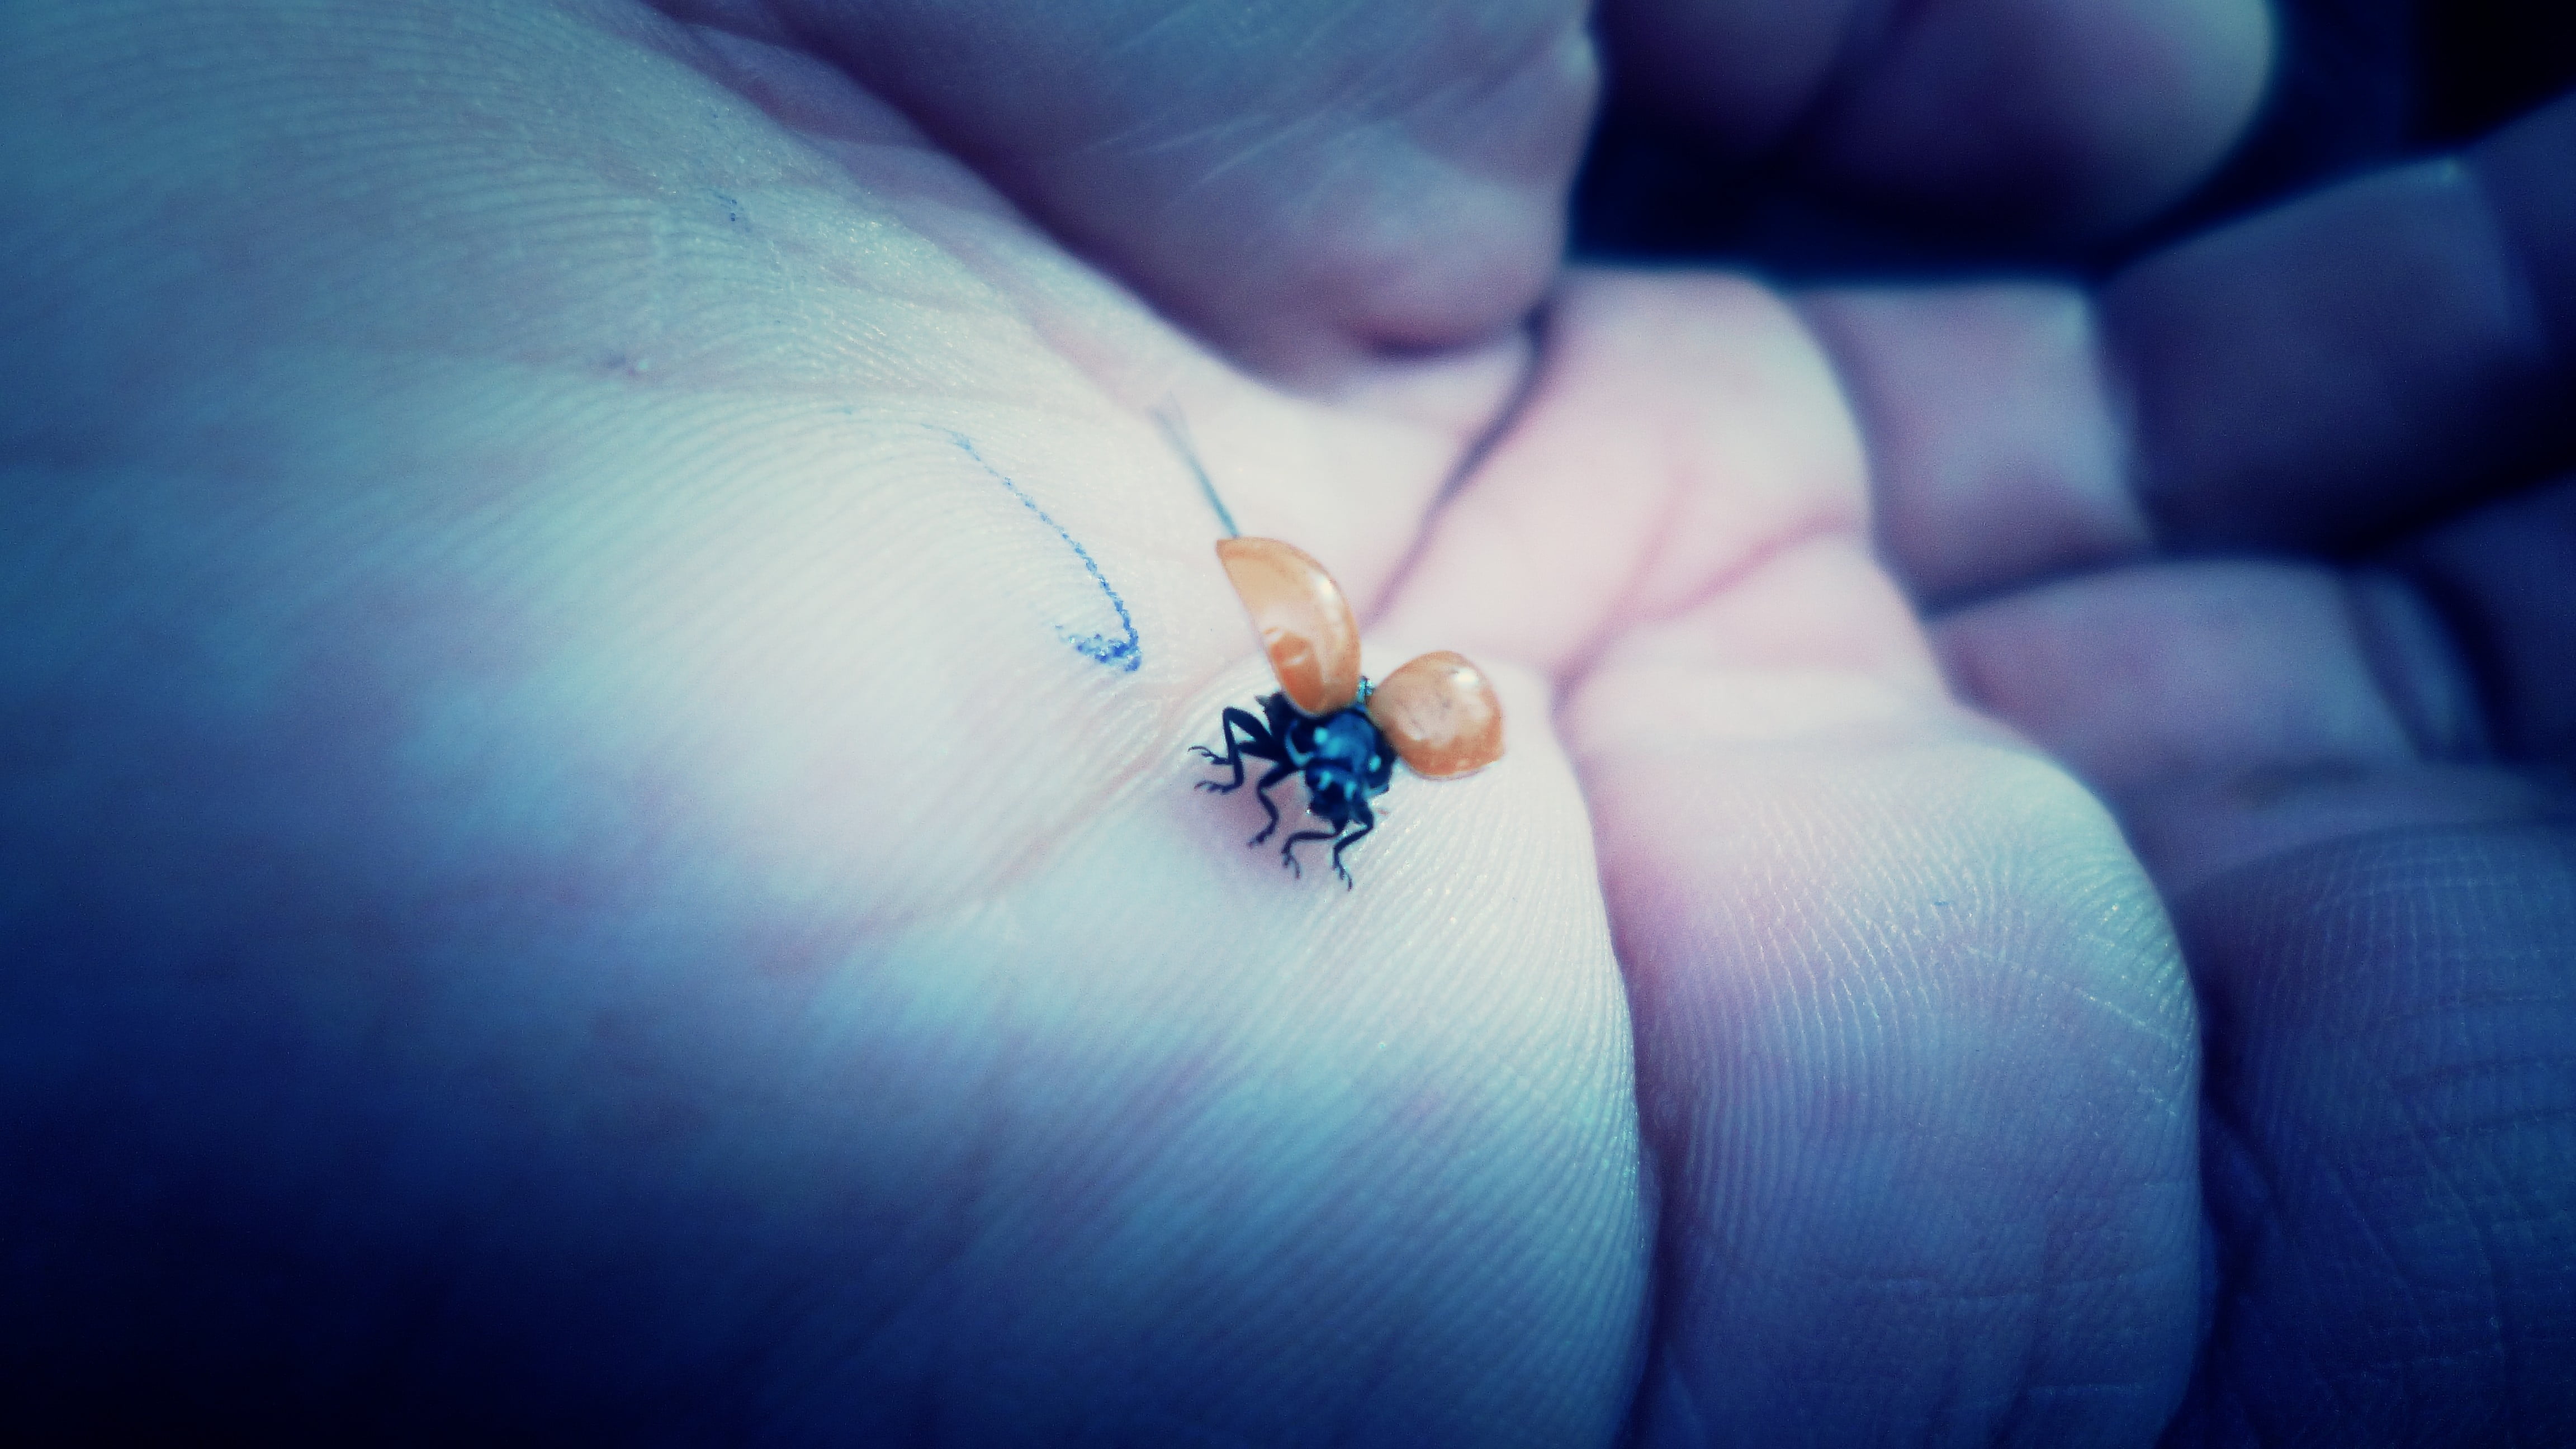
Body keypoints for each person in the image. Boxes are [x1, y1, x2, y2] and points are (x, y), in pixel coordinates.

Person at [3, 1, 2566, 1441]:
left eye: (1305, 776)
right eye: (1298, 773)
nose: (1292, 783)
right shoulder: (1346, 736)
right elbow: (1326, 745)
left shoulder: (1366, 743)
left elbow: (1345, 753)